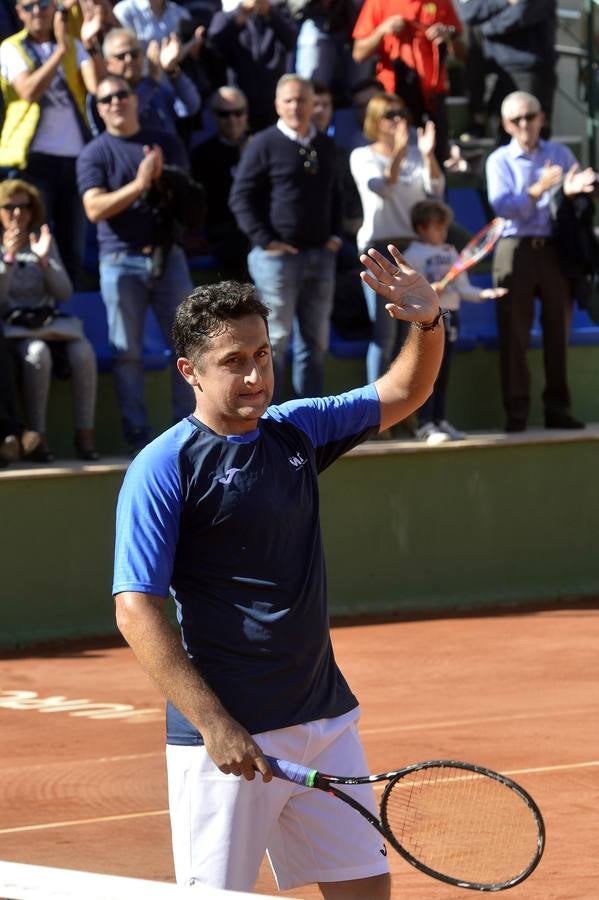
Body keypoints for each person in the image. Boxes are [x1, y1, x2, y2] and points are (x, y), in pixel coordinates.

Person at [112, 252, 445, 896]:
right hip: (229, 740)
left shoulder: (294, 430)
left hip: (325, 720)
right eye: (234, 362)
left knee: (365, 891)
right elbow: (136, 607)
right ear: (191, 371)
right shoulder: (163, 467)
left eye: (261, 355)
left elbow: (404, 392)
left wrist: (428, 324)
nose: (255, 374)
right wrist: (213, 722)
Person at [76, 74, 197, 454]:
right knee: (126, 352)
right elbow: (94, 208)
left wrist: (167, 181)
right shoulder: (95, 152)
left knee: (189, 345)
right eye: (106, 97)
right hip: (119, 261)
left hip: (167, 255)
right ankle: (138, 440)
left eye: (121, 94)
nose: (115, 102)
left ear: (134, 99)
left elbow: (190, 200)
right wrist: (140, 184)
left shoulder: (166, 142)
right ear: (98, 108)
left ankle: (191, 434)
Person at [485, 91, 596, 433]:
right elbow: (502, 206)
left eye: (529, 117)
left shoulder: (560, 153)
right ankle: (516, 413)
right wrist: (539, 189)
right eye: (516, 120)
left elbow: (574, 200)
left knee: (558, 332)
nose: (524, 125)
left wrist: (575, 191)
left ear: (541, 118)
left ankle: (557, 408)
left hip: (553, 250)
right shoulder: (499, 160)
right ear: (506, 124)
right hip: (514, 249)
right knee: (514, 335)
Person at [229, 74, 342, 401]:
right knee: (273, 341)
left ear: (313, 104)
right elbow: (241, 197)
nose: (296, 106)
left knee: (315, 343)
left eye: (302, 99)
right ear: (278, 104)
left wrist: (334, 235)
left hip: (320, 255)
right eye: (289, 100)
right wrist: (265, 240)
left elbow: (336, 193)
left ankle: (308, 418)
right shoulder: (263, 143)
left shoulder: (326, 144)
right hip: (276, 261)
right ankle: (271, 417)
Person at [0, 0, 105, 285]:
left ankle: (71, 307)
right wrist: (60, 51)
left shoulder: (73, 43)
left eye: (44, 4)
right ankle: (35, 302)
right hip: (33, 158)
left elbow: (97, 88)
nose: (38, 11)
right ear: (19, 13)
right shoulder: (11, 47)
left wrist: (90, 42)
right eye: (29, 6)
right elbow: (29, 90)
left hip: (75, 156)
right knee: (37, 236)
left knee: (73, 241)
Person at [0, 178, 99, 462]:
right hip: (13, 329)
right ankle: (38, 437)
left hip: (47, 324)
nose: (18, 213)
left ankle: (85, 434)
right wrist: (8, 257)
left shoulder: (41, 241)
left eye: (24, 207)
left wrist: (45, 262)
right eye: (10, 207)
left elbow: (64, 292)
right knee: (37, 355)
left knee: (83, 352)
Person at [350, 91, 444, 385]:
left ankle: (409, 407)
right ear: (375, 121)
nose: (399, 120)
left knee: (414, 329)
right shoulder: (362, 155)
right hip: (380, 248)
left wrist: (428, 155)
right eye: (391, 115)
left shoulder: (416, 155)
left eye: (402, 113)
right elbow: (382, 188)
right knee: (385, 330)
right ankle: (375, 412)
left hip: (412, 247)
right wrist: (401, 152)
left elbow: (436, 188)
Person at [403, 199, 507, 444]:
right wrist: (428, 292)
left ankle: (440, 420)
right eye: (435, 227)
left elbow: (463, 287)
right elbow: (408, 292)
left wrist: (483, 295)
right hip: (426, 322)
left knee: (444, 372)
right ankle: (424, 424)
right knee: (427, 373)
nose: (442, 232)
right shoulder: (411, 256)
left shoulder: (450, 253)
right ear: (420, 228)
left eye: (443, 227)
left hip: (451, 318)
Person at [351, 0, 464, 164]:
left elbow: (462, 53)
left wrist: (449, 35)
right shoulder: (379, 2)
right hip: (393, 97)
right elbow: (358, 54)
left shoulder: (441, 2)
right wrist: (382, 30)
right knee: (395, 158)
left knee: (436, 159)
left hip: (432, 96)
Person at [457, 0, 558, 142]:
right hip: (496, 71)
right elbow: (467, 12)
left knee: (532, 137)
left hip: (529, 73)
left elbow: (519, 16)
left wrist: (483, 25)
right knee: (504, 135)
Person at [208, 0, 297, 133]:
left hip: (272, 104)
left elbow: (291, 40)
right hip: (237, 107)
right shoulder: (225, 15)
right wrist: (238, 19)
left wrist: (269, 13)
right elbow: (214, 46)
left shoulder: (279, 12)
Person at [190, 85, 250, 280]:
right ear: (214, 116)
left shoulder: (262, 147)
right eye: (224, 114)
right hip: (224, 231)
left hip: (260, 227)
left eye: (238, 112)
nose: (232, 119)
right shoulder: (202, 155)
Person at [100, 27, 200, 137]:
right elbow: (127, 114)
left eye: (134, 54)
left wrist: (172, 71)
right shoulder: (105, 96)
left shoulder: (157, 88)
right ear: (107, 64)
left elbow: (191, 106)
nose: (129, 60)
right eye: (121, 56)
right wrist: (152, 80)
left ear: (143, 56)